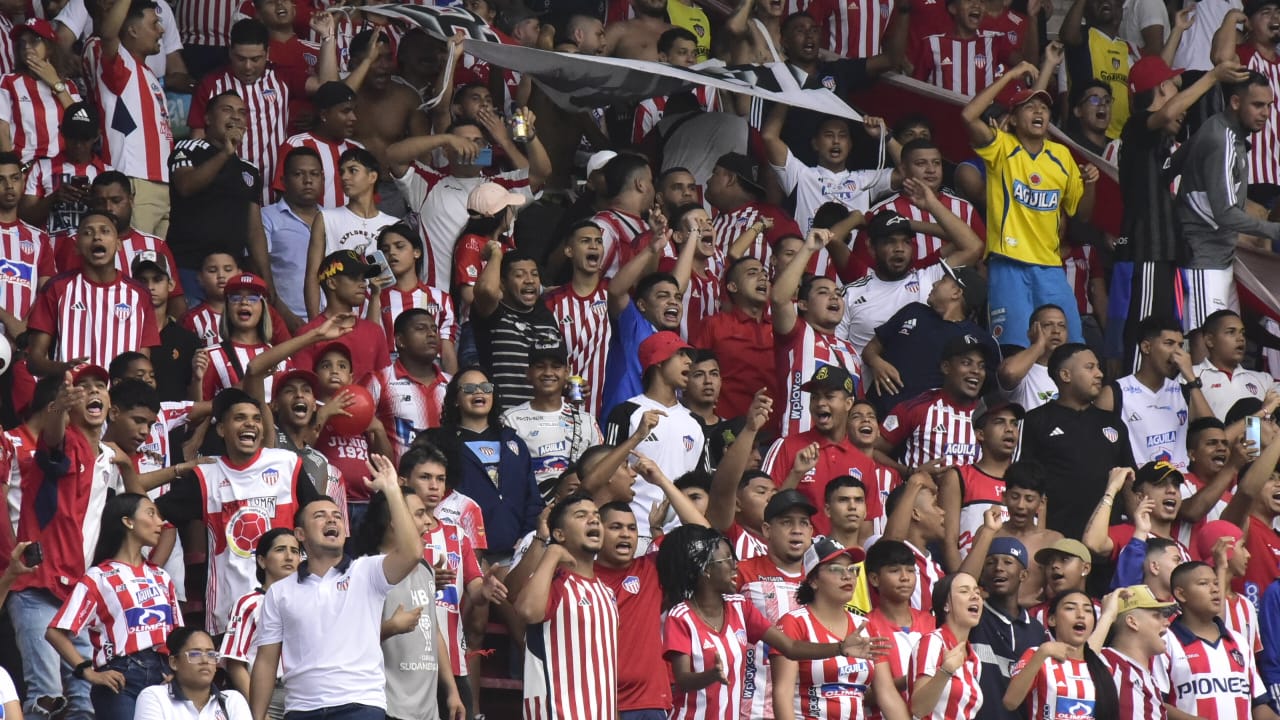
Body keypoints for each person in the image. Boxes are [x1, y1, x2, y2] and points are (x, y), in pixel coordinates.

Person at [249, 455, 423, 719]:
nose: (332, 521)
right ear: (300, 534)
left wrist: (391, 490)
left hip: (360, 706)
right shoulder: (280, 591)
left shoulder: (367, 571)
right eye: (320, 516)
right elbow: (265, 661)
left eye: (337, 516)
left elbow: (411, 553)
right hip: (300, 710)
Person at [657, 524, 888, 720]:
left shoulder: (741, 606)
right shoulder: (680, 616)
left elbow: (791, 647)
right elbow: (683, 681)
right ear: (705, 569)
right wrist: (711, 676)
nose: (736, 564)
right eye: (727, 559)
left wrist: (839, 648)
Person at [152, 389, 321, 634]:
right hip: (230, 611)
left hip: (291, 601)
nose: (250, 424)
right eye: (240, 418)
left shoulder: (286, 464)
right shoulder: (207, 475)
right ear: (221, 429)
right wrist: (177, 469)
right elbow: (152, 511)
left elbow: (316, 514)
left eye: (256, 418)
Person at [9, 364, 124, 720]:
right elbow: (53, 443)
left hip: (77, 593)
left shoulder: (107, 457)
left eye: (99, 387)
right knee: (48, 698)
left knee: (84, 704)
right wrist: (58, 408)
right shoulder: (65, 442)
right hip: (37, 585)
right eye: (82, 387)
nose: (91, 392)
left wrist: (131, 466)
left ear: (110, 402)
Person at [1114, 56, 1246, 361]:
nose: (1183, 108)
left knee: (1164, 335)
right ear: (1162, 88)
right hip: (1146, 250)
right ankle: (1131, 396)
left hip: (1165, 252)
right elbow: (1167, 112)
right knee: (1145, 332)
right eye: (1175, 88)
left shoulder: (1159, 144)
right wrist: (1213, 75)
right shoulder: (1136, 128)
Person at [961, 63, 1098, 346]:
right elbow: (968, 115)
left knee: (1071, 344)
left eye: (1044, 108)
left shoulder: (1062, 155)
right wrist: (1010, 76)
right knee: (1013, 345)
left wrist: (1091, 184)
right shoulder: (1002, 147)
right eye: (1029, 107)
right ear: (1011, 119)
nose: (1038, 112)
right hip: (1008, 263)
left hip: (1050, 266)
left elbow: (1081, 215)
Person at [47, 493, 181, 720]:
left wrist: (176, 673)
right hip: (120, 679)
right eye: (151, 513)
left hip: (164, 677)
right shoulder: (97, 577)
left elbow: (177, 635)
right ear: (128, 521)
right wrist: (87, 671)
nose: (160, 522)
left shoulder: (162, 577)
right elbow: (55, 632)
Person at [1174, 73, 1280, 345]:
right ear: (1235, 101)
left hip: (1220, 255)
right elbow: (1225, 214)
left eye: (1268, 106)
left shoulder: (1221, 132)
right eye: (1257, 105)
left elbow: (1171, 165)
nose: (1265, 113)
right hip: (1204, 257)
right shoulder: (1222, 139)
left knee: (1225, 347)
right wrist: (1273, 230)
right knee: (1206, 342)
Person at [351, 487, 466, 720]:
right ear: (396, 521)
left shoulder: (425, 569)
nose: (428, 521)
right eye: (420, 514)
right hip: (388, 708)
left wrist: (452, 691)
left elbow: (433, 629)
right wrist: (391, 627)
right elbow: (349, 642)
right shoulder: (366, 571)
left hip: (427, 711)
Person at [771, 537, 910, 720]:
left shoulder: (865, 626)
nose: (848, 576)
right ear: (813, 580)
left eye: (852, 569)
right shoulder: (794, 622)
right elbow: (782, 695)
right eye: (836, 569)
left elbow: (887, 695)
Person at [419, 367, 543, 563]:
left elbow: (533, 498)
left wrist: (527, 537)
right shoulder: (439, 443)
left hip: (516, 553)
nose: (479, 392)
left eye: (486, 387)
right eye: (469, 388)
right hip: (461, 554)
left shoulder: (513, 442)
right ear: (455, 399)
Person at [514, 491, 620, 719]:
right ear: (559, 534)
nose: (593, 520)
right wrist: (552, 553)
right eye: (581, 515)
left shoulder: (607, 591)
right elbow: (527, 611)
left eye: (596, 516)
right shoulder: (553, 580)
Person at [1016, 344, 1134, 539]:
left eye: (1098, 367)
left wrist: (1138, 529)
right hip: (1057, 542)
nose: (1099, 374)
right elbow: (1025, 482)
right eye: (1090, 367)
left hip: (1106, 541)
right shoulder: (1036, 421)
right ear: (1065, 375)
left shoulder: (1113, 422)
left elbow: (1129, 480)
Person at [25, 209, 160, 375]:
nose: (97, 237)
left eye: (105, 231)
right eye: (88, 233)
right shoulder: (57, 288)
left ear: (118, 244)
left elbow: (143, 363)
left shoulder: (140, 295)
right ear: (76, 247)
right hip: (72, 394)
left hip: (122, 398)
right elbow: (33, 361)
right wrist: (65, 369)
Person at [604, 331, 709, 536]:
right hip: (633, 532)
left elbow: (702, 483)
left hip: (682, 533)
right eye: (680, 354)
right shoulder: (626, 412)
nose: (689, 362)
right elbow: (607, 474)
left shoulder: (696, 422)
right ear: (658, 360)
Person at [83, 0, 174, 236]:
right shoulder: (120, 67)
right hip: (136, 182)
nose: (161, 31)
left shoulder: (147, 73)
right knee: (131, 260)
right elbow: (109, 32)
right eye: (154, 24)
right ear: (132, 30)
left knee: (151, 264)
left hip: (160, 185)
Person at [762, 365, 876, 536]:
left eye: (829, 396)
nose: (820, 403)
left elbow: (865, 530)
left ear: (848, 403)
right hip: (797, 557)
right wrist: (796, 473)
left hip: (843, 559)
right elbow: (765, 510)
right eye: (815, 397)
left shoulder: (864, 463)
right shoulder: (786, 446)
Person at [770, 230, 862, 438]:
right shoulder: (797, 334)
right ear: (802, 304)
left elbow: (856, 408)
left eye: (838, 294)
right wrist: (808, 248)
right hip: (796, 446)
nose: (834, 297)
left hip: (840, 456)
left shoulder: (850, 351)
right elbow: (778, 299)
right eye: (823, 292)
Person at [187, 18, 288, 206]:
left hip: (275, 197)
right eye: (241, 58)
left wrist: (328, 36)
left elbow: (327, 85)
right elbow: (197, 139)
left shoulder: (282, 77)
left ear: (268, 53)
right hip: (224, 194)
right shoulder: (211, 84)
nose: (248, 66)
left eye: (256, 59)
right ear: (230, 52)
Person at [1160, 561, 1279, 720]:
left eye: (1216, 583)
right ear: (1181, 594)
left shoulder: (1238, 641)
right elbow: (1155, 702)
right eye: (1203, 583)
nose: (1215, 589)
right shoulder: (1165, 641)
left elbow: (1258, 703)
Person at [1096, 315, 1211, 470]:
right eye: (1169, 344)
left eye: (1180, 345)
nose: (1176, 353)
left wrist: (1191, 378)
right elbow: (1097, 451)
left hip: (1182, 487)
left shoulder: (1184, 391)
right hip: (1138, 488)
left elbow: (1212, 433)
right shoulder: (1114, 393)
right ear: (1146, 347)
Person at [762, 104, 899, 232]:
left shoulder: (866, 180)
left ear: (850, 144)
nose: (836, 141)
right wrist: (788, 98)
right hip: (810, 255)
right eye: (828, 135)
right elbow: (769, 136)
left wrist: (886, 136)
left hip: (850, 257)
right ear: (815, 143)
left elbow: (907, 173)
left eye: (842, 136)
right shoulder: (801, 175)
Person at [303, 147, 396, 317]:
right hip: (336, 319)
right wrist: (314, 325)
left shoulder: (394, 225)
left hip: (383, 318)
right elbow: (312, 275)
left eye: (353, 170)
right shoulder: (326, 218)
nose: (344, 177)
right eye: (342, 172)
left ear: (372, 177)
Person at [501, 343, 601, 500]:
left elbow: (601, 469)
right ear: (528, 373)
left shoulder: (586, 420)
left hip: (579, 511)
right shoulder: (510, 419)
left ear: (567, 373)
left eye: (556, 367)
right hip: (529, 509)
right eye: (540, 366)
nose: (548, 373)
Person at [878, 334, 990, 472]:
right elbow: (872, 450)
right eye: (966, 363)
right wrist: (909, 473)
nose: (976, 371)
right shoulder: (916, 407)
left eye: (982, 366)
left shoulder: (990, 416)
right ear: (946, 367)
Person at [471, 246, 564, 411]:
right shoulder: (493, 314)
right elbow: (486, 290)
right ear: (503, 284)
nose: (529, 280)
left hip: (542, 417)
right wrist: (496, 254)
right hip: (503, 418)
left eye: (534, 274)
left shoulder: (547, 316)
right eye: (519, 275)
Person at [1002, 590, 1119, 720]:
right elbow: (1010, 702)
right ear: (1052, 620)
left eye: (1088, 610)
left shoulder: (1103, 666)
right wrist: (1043, 652)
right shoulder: (1037, 654)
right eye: (1070, 608)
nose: (1081, 615)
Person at [220, 528, 299, 714]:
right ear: (262, 560)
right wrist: (258, 710)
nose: (289, 556)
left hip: (304, 694)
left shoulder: (310, 600)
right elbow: (234, 662)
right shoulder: (247, 603)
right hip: (268, 695)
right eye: (280, 549)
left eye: (295, 551)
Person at [964, 536, 1044, 720]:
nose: (998, 567)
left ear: (1023, 575)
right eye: (991, 562)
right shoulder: (973, 617)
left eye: (1008, 562)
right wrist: (989, 531)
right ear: (982, 574)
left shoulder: (1037, 630)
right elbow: (957, 585)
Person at [940, 395, 1023, 561]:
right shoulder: (959, 477)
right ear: (980, 434)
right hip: (972, 580)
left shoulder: (1029, 481)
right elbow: (948, 541)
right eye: (999, 422)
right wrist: (962, 582)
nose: (1010, 429)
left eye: (1014, 423)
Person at [543, 220, 611, 419]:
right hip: (562, 411)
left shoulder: (614, 293)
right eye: (585, 241)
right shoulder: (553, 302)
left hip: (607, 407)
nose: (593, 246)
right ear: (569, 251)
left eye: (598, 241)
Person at [293, 250, 392, 384]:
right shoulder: (307, 334)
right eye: (354, 277)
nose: (364, 284)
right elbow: (303, 387)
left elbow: (386, 384)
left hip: (370, 404)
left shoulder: (375, 331)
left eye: (363, 278)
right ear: (332, 283)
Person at [375, 223, 459, 374]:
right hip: (390, 371)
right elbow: (371, 341)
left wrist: (454, 389)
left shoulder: (440, 298)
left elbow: (447, 351)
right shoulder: (375, 297)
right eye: (385, 250)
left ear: (417, 252)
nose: (392, 253)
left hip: (433, 369)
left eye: (399, 246)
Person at [19, 100, 107, 244]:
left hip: (93, 256)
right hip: (50, 255)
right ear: (61, 132)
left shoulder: (107, 173)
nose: (78, 144)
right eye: (72, 137)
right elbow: (24, 219)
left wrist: (96, 201)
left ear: (97, 136)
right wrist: (54, 198)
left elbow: (118, 222)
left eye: (84, 138)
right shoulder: (41, 167)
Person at [863, 539, 936, 708]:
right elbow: (861, 695)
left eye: (911, 571)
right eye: (895, 571)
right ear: (874, 579)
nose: (905, 578)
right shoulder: (864, 628)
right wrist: (911, 679)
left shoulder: (932, 623)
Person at [272, 81, 366, 210]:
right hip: (306, 227)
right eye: (345, 111)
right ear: (324, 114)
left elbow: (368, 199)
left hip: (350, 229)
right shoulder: (296, 145)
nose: (353, 117)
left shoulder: (358, 150)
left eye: (353, 111)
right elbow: (283, 196)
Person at [0, 17, 78, 164]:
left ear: (49, 46)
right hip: (24, 167)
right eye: (22, 43)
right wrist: (11, 168)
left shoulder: (68, 85)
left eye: (34, 40)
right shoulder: (8, 82)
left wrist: (56, 84)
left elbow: (80, 123)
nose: (27, 47)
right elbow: (2, 130)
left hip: (61, 168)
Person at [908, 573, 985, 720]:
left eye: (977, 592)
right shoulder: (932, 642)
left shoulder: (974, 659)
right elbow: (918, 709)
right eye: (964, 591)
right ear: (946, 604)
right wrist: (946, 671)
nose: (975, 596)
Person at [135, 627, 252, 720]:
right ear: (174, 662)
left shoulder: (231, 700)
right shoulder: (155, 697)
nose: (205, 660)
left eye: (211, 654)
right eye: (195, 654)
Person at [1095, 585, 1176, 720]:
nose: (1166, 623)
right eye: (1156, 616)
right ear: (1132, 622)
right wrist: (1108, 615)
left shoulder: (1151, 680)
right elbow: (1082, 666)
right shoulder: (1108, 661)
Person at [910, 0, 1019, 97]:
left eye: (981, 1)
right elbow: (915, 90)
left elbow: (1028, 63)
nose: (976, 4)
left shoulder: (994, 42)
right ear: (953, 8)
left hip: (980, 119)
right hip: (941, 116)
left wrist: (1032, 18)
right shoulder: (932, 44)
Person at [1192, 310, 1278, 419]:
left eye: (1242, 332)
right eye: (1231, 332)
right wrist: (1264, 411)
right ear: (1209, 340)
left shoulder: (1263, 380)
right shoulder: (1190, 377)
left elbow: (1252, 435)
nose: (1241, 338)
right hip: (1212, 436)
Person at [881, 475, 949, 611]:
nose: (943, 512)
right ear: (916, 514)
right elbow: (890, 546)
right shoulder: (885, 550)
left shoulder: (937, 570)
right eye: (935, 505)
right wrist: (915, 482)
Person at [996, 305, 1069, 413]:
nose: (1056, 331)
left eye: (1062, 326)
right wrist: (1038, 345)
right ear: (1031, 333)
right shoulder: (1023, 369)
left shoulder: (1072, 371)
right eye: (1048, 325)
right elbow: (1009, 373)